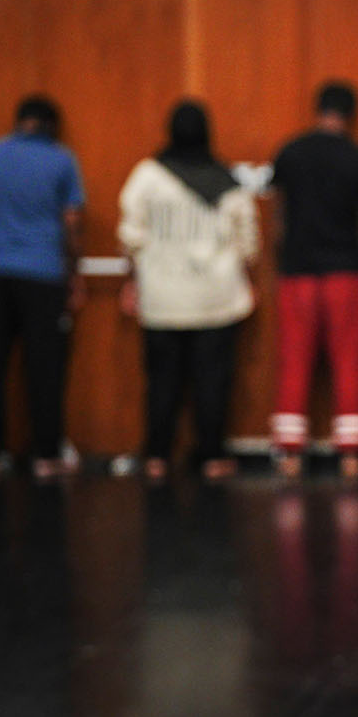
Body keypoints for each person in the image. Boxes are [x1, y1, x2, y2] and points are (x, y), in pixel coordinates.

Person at [117, 100, 260, 481]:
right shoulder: (227, 180)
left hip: (162, 296)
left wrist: (131, 280)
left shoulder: (147, 176)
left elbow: (131, 235)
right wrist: (248, 276)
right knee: (212, 380)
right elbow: (248, 241)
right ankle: (212, 456)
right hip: (216, 297)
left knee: (162, 379)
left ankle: (157, 456)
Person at [0, 94, 85, 481]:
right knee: (45, 369)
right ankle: (46, 455)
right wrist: (74, 275)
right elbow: (71, 224)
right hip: (43, 275)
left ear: (19, 121)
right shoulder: (62, 160)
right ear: (51, 125)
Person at [269, 82, 358, 480]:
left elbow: (278, 220)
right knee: (349, 360)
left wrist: (280, 263)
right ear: (351, 115)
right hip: (346, 272)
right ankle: (351, 454)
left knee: (294, 360)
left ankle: (290, 454)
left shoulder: (289, 153)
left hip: (297, 271)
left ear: (317, 109)